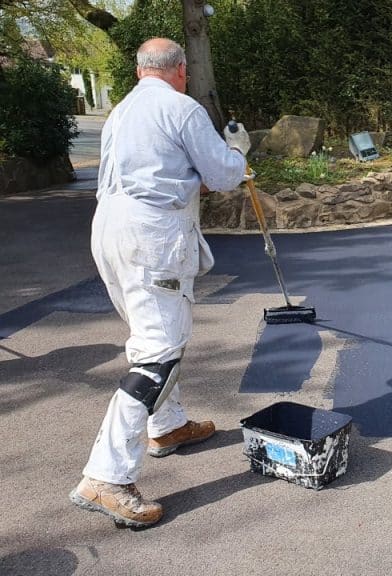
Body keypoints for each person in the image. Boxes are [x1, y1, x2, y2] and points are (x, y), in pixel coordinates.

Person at [69, 37, 253, 528]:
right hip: (152, 237)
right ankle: (106, 475)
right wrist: (238, 148)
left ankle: (167, 425)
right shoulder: (182, 108)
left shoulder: (121, 112)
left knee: (150, 336)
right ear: (181, 72)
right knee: (159, 349)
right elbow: (221, 175)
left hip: (110, 232)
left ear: (137, 71)